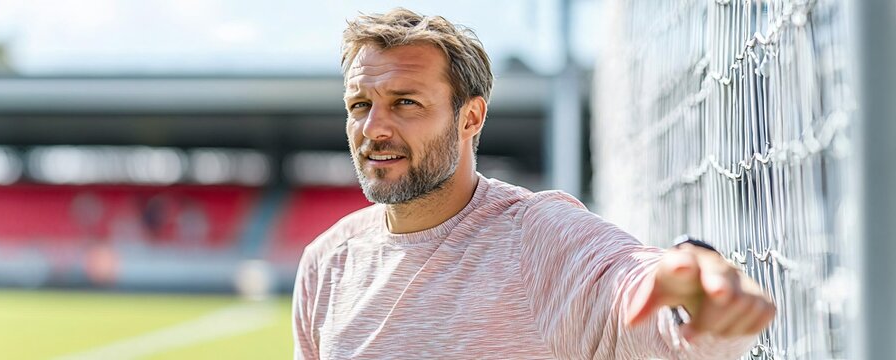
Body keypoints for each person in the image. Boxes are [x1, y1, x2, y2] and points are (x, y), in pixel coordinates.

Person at [293, 8, 775, 359]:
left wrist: (694, 299)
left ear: (471, 117)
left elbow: (628, 284)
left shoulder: (535, 234)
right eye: (360, 105)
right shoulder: (325, 263)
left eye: (406, 103)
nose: (374, 128)